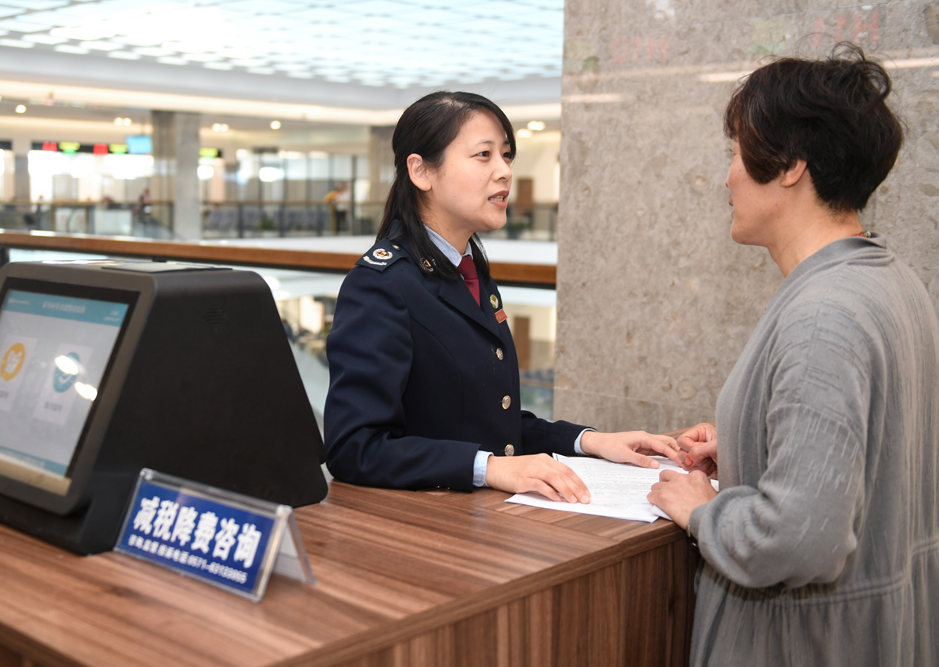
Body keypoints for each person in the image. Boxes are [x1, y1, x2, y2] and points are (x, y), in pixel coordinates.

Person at [647, 45, 939, 666]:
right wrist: (755, 444)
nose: (727, 176)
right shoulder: (891, 281)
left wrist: (706, 513)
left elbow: (802, 540)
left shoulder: (823, 312)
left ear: (789, 167)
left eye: (734, 152)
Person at [324, 91, 680, 502]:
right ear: (421, 171)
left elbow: (490, 423)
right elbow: (355, 448)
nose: (505, 171)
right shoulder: (382, 285)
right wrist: (488, 467)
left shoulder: (468, 271)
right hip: (424, 532)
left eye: (506, 155)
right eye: (483, 155)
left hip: (484, 523)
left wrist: (589, 442)